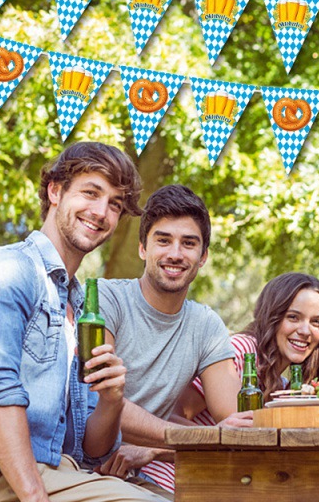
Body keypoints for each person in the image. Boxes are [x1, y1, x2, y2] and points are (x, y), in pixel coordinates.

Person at [0, 141, 162, 501]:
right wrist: (34, 496)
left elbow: (93, 449)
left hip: (64, 471)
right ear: (55, 191)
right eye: (91, 192)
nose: (101, 212)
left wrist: (112, 400)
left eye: (115, 204)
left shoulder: (79, 305)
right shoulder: (6, 271)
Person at [95, 185, 250, 496]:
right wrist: (201, 438)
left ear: (203, 256)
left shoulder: (205, 325)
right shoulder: (105, 300)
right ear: (143, 248)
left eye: (189, 243)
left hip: (132, 476)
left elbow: (235, 422)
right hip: (77, 463)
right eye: (163, 240)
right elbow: (96, 400)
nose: (175, 254)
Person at [143, 272, 319, 494]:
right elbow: (170, 413)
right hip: (167, 483)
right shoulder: (239, 352)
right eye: (293, 317)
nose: (306, 331)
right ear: (273, 317)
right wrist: (213, 440)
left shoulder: (285, 386)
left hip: (215, 489)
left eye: (316, 322)